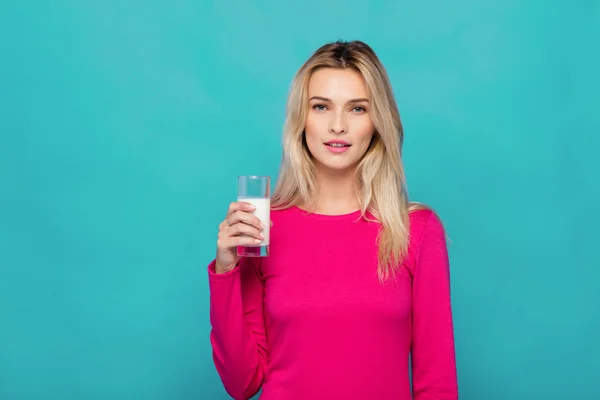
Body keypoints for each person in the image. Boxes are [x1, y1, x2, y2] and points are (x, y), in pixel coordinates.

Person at [207, 40, 458, 399]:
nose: (337, 125)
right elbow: (242, 383)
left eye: (357, 108)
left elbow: (437, 382)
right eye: (321, 106)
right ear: (301, 119)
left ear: (377, 122)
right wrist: (225, 269)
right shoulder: (263, 229)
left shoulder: (415, 230)